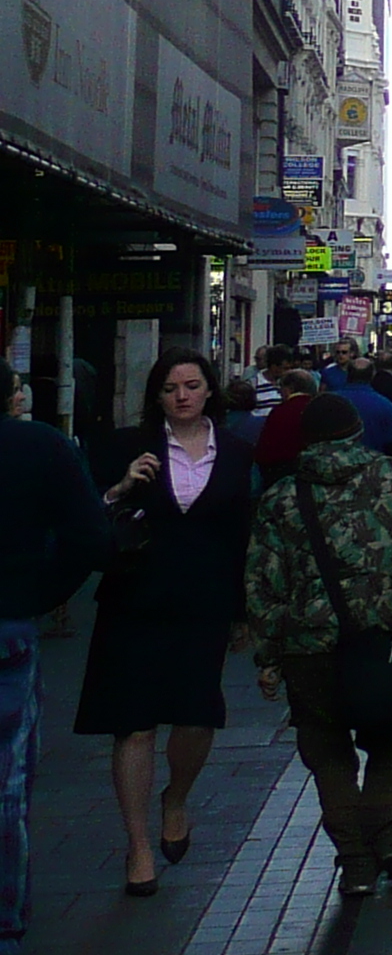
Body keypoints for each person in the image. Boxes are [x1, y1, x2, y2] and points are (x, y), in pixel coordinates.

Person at [245, 393, 392, 902]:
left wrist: (269, 656)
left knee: (328, 754)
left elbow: (263, 585)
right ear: (356, 433)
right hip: (379, 637)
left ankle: (355, 863)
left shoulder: (282, 497)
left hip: (309, 649)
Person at [78, 351, 254, 896]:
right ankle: (137, 847)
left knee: (196, 716)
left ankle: (175, 797)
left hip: (204, 602)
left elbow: (243, 532)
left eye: (192, 385)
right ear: (156, 396)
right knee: (133, 724)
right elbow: (85, 518)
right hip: (135, 599)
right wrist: (118, 488)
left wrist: (246, 610)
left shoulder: (238, 452)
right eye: (170, 387)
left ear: (208, 392)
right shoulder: (128, 447)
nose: (181, 395)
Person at [2, 364, 110, 955]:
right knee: (6, 782)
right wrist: (40, 595)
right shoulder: (40, 445)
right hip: (10, 623)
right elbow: (90, 539)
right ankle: (4, 931)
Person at [338, 357, 392, 460]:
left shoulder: (331, 402)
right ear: (373, 374)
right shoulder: (385, 405)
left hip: (335, 466)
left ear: (348, 374)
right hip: (372, 466)